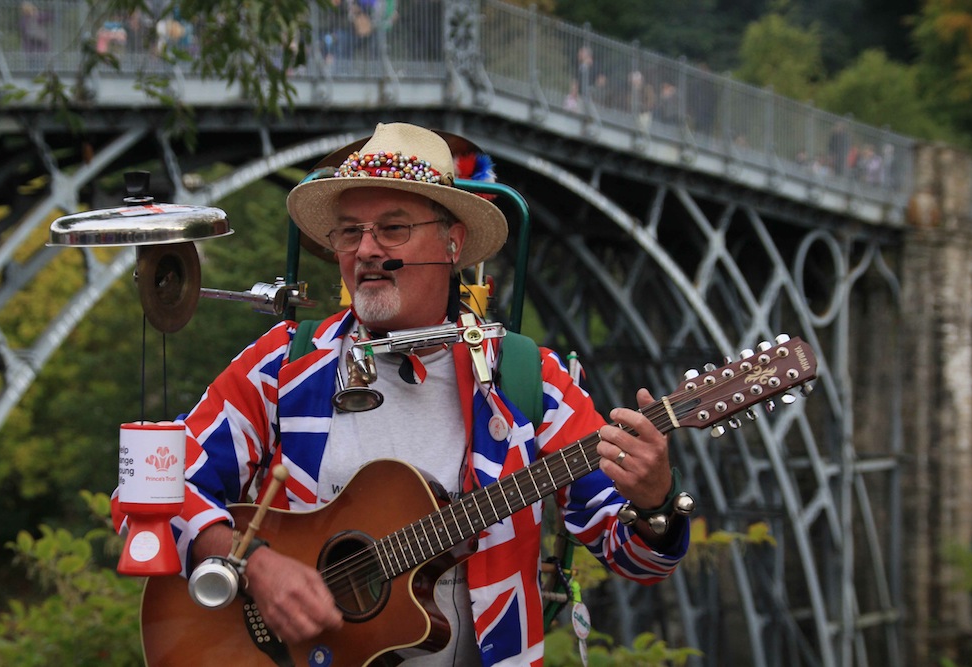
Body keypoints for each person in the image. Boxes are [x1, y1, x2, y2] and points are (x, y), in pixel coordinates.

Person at [113, 122, 690, 665]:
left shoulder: (525, 379)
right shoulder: (285, 364)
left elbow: (634, 556)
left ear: (452, 244)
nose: (365, 250)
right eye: (350, 231)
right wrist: (254, 567)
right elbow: (149, 495)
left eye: (392, 228)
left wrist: (655, 501)